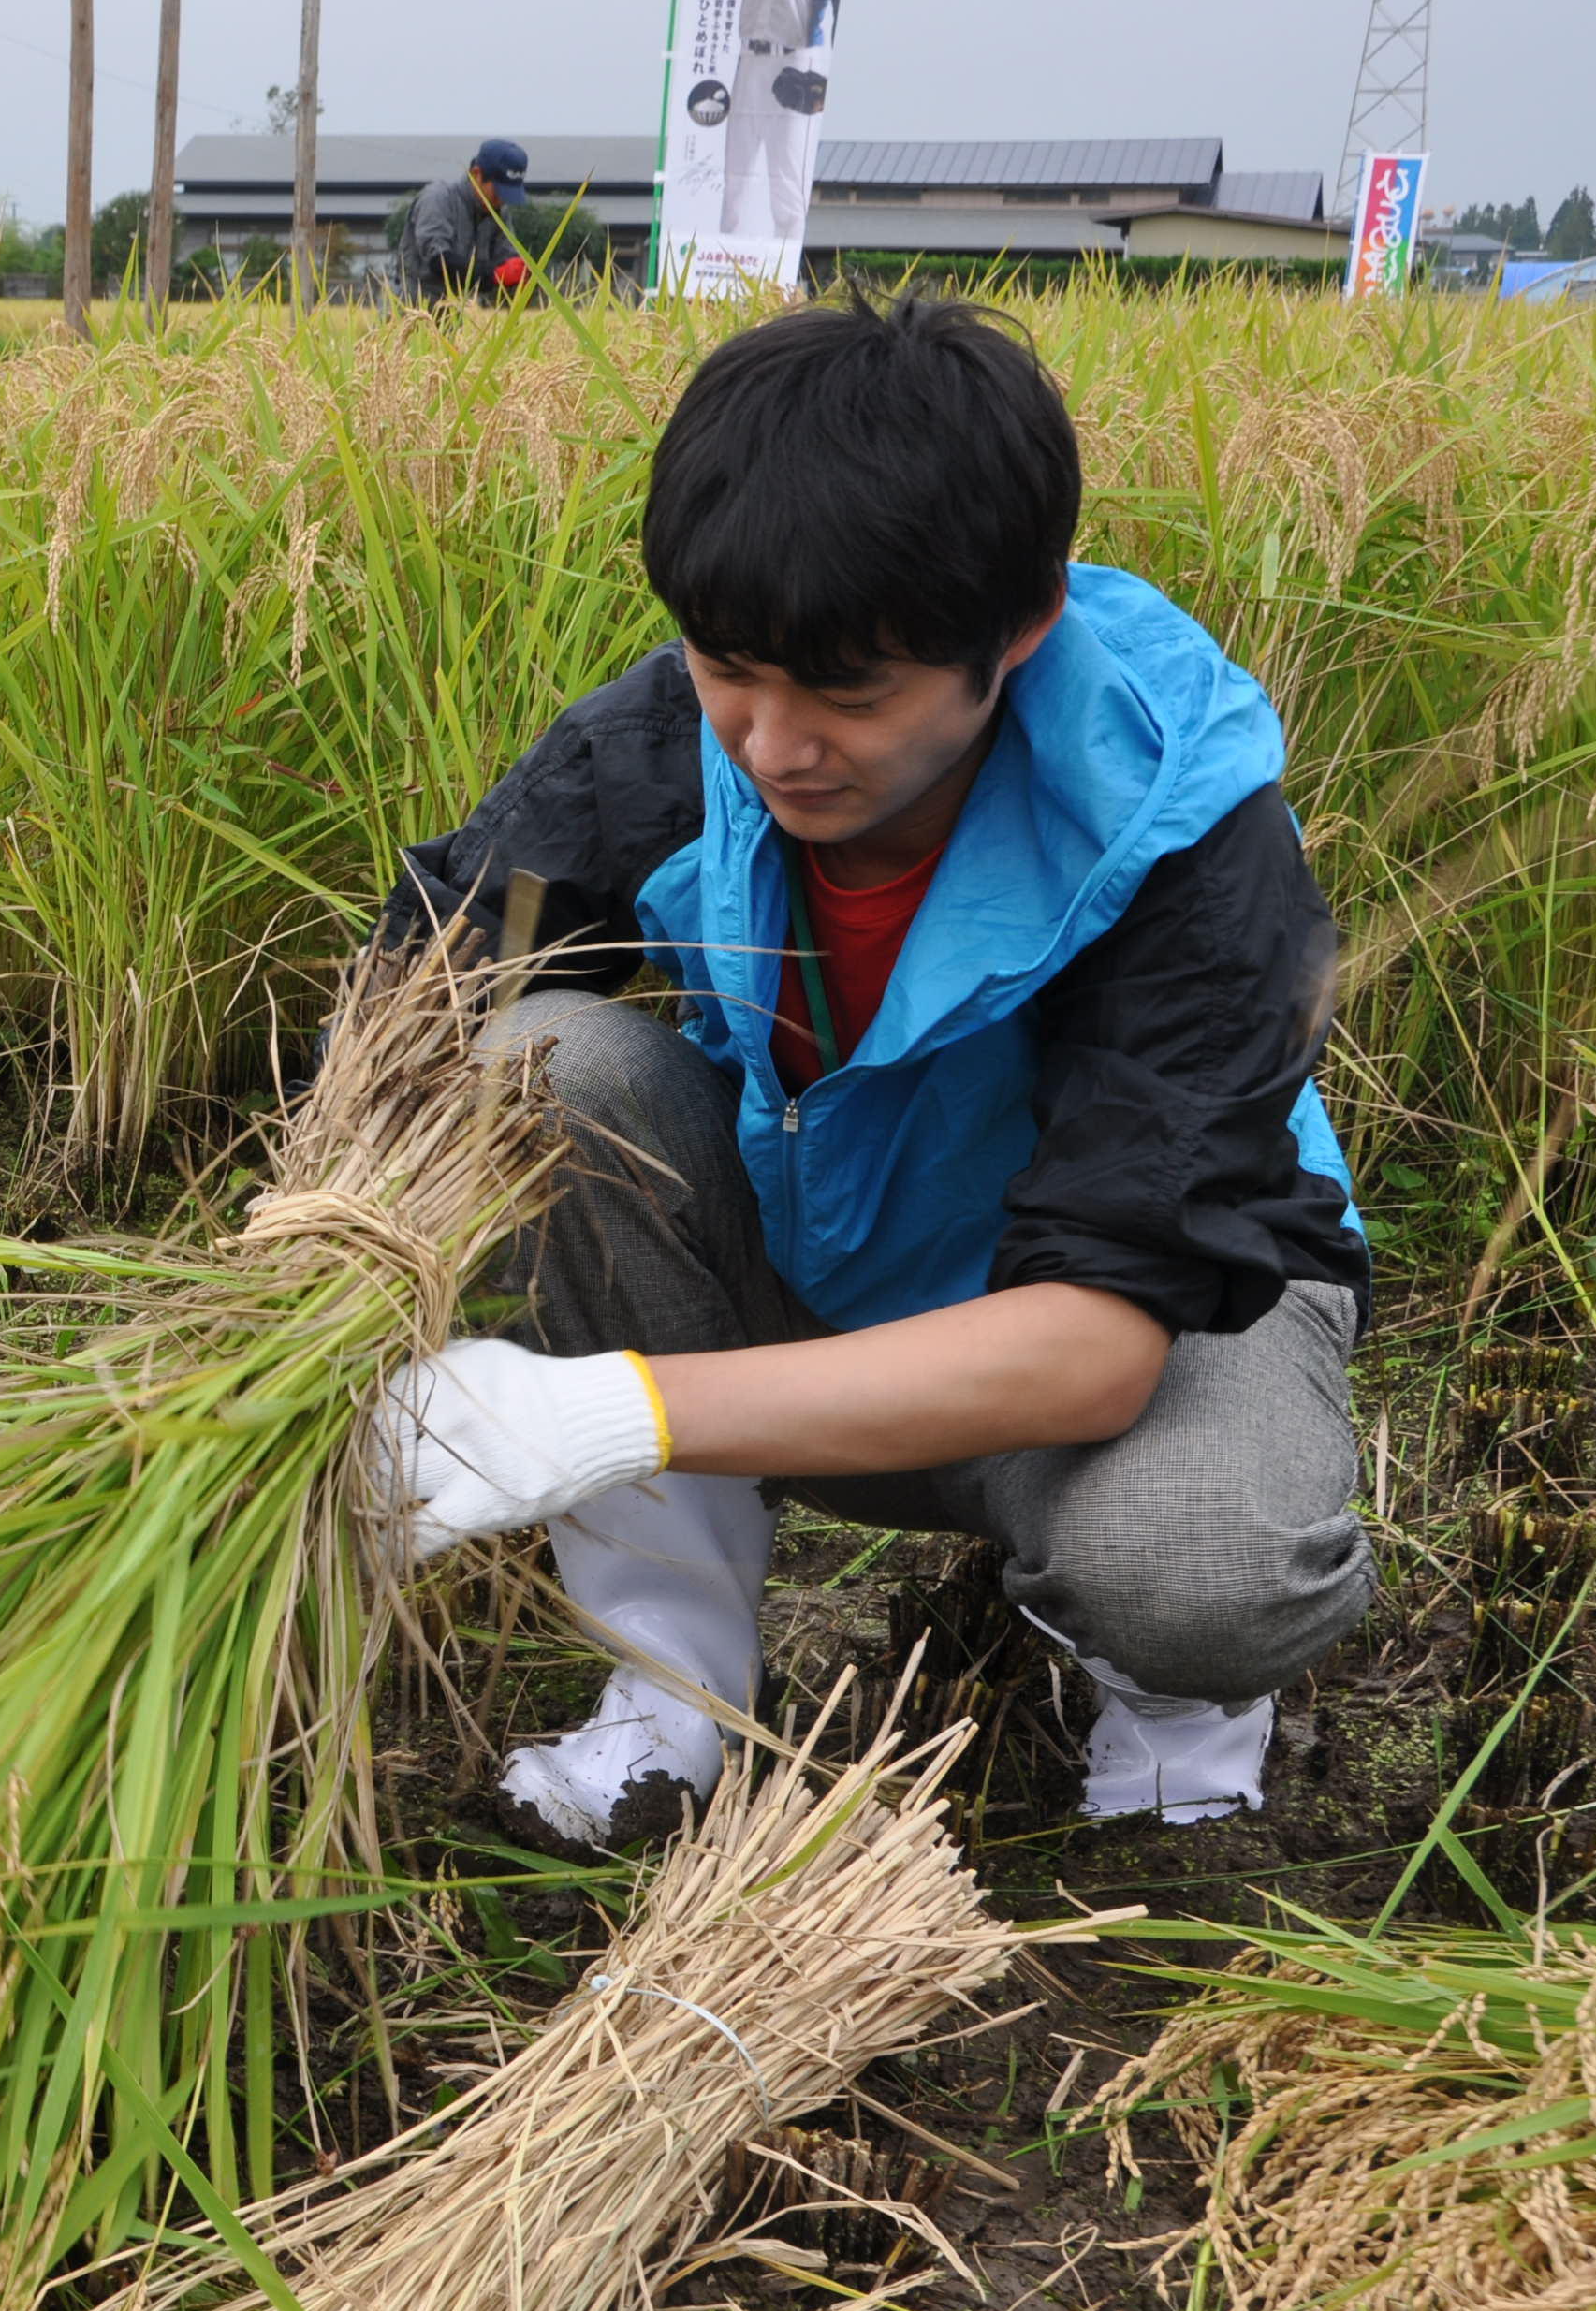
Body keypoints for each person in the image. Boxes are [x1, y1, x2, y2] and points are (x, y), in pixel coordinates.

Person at [371, 289, 1371, 1846]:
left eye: (849, 692)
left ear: (1016, 633)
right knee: (516, 1064)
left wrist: (607, 1409)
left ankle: (1174, 1711)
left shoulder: (1186, 837)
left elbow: (1095, 1347)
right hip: (824, 1251)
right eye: (729, 668)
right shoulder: (673, 738)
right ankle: (668, 1687)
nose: (772, 744)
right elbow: (414, 996)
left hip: (1148, 1324)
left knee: (1195, 1565)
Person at [715, 0, 834, 249]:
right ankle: (726, 256)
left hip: (796, 56)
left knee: (788, 171)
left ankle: (785, 267)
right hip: (748, 55)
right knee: (737, 165)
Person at [406, 138, 537, 300]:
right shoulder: (438, 199)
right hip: (414, 309)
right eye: (498, 193)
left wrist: (521, 274)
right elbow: (438, 261)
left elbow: (507, 256)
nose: (502, 201)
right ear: (477, 174)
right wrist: (494, 275)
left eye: (508, 195)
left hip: (460, 312)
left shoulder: (499, 211)